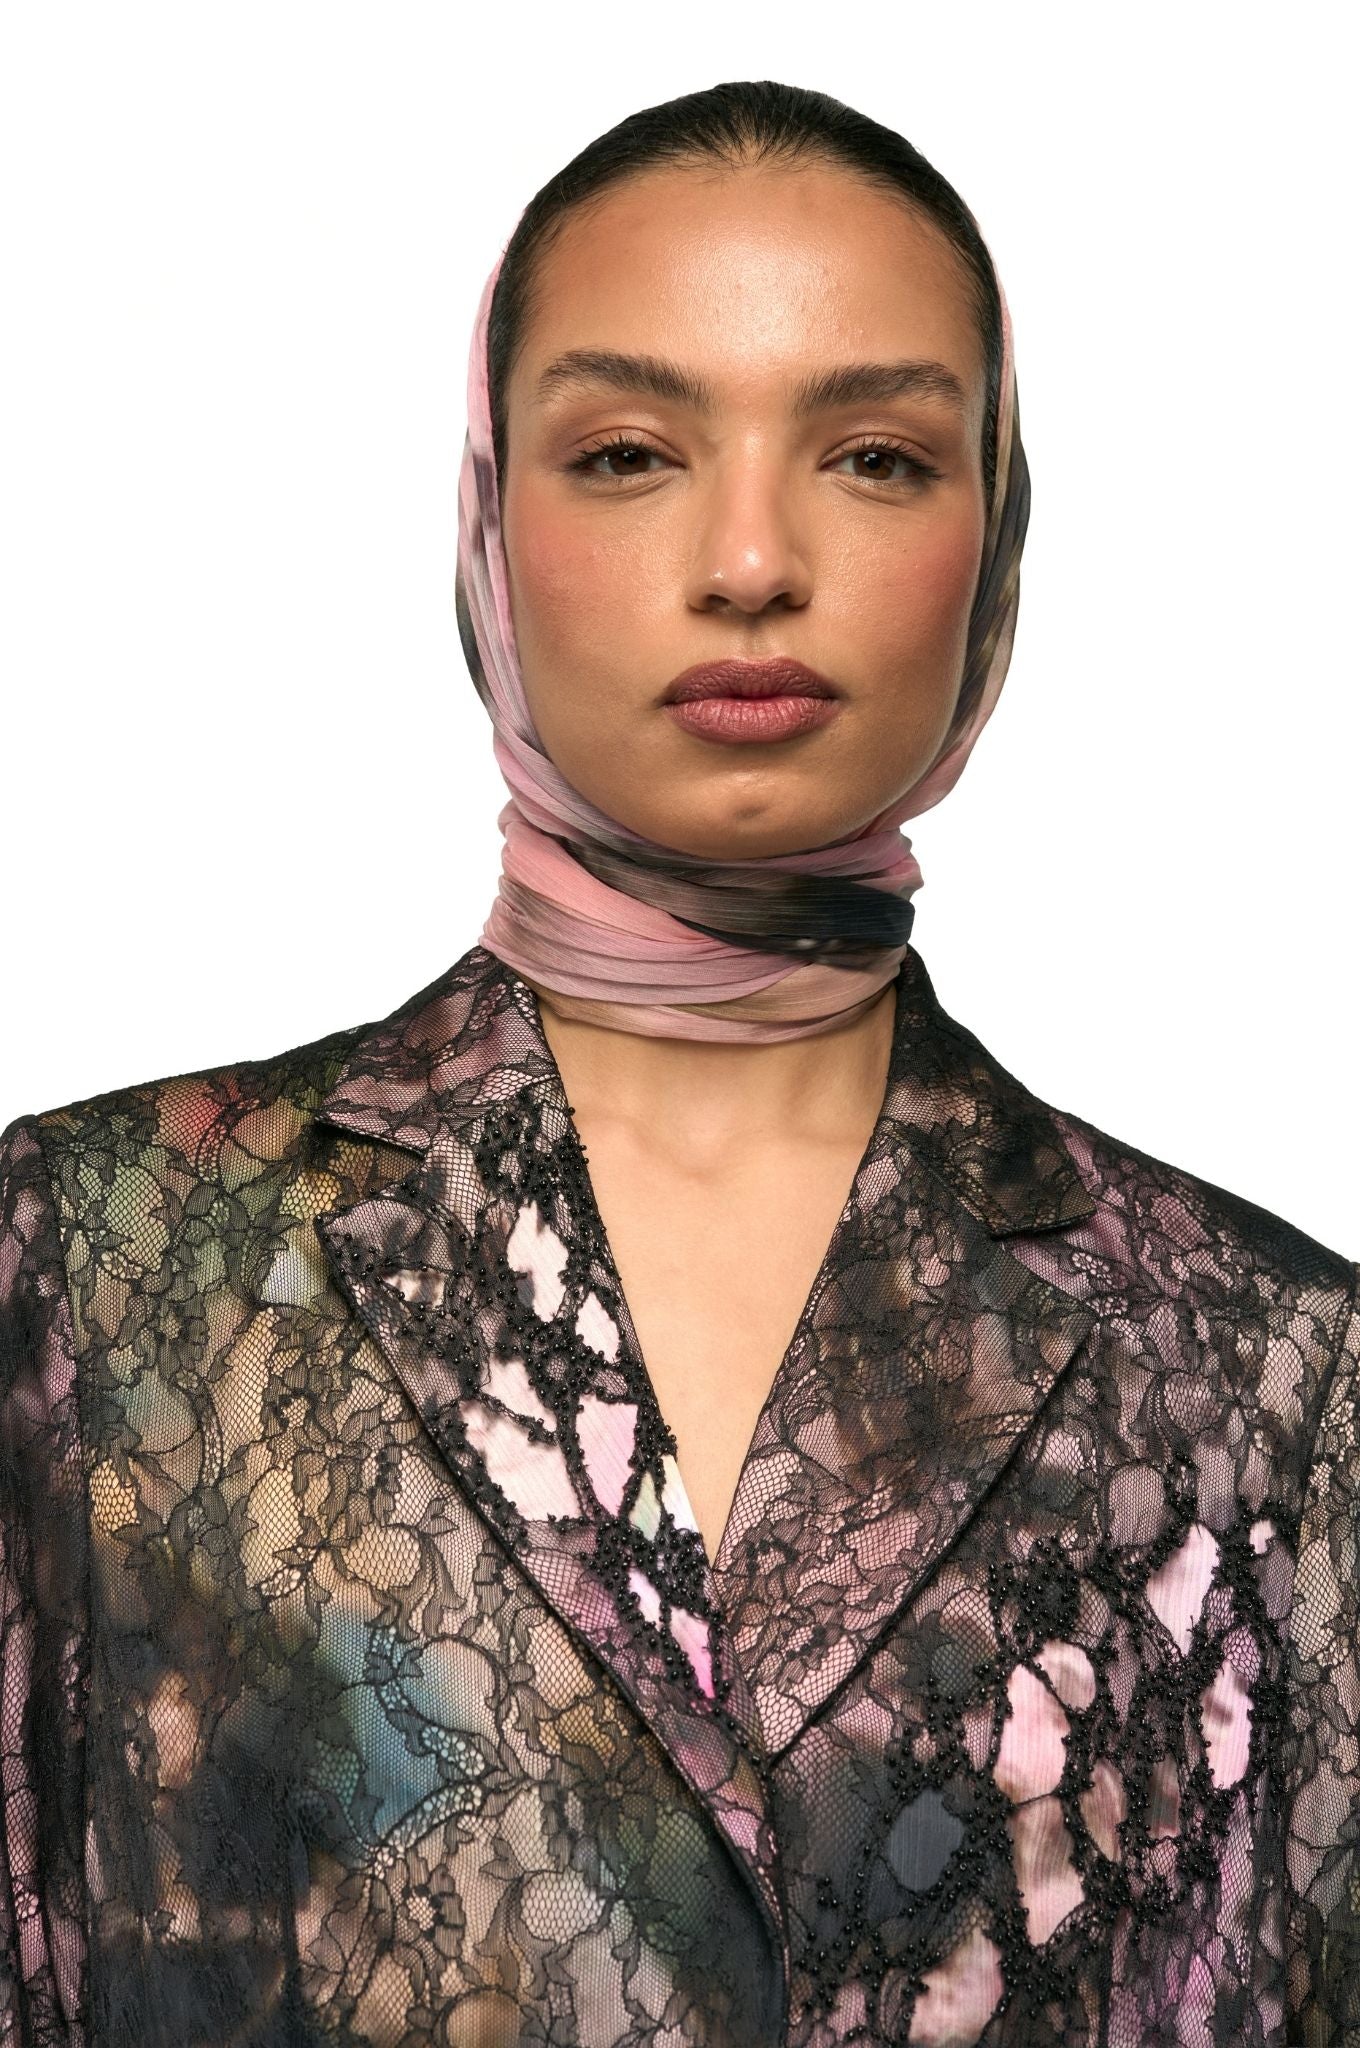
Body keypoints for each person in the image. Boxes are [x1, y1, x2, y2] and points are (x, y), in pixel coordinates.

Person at [0, 76, 1355, 2048]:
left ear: (996, 536)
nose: (747, 559)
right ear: (490, 523)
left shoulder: (1273, 1371)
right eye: (629, 453)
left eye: (874, 456)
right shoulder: (102, 1261)